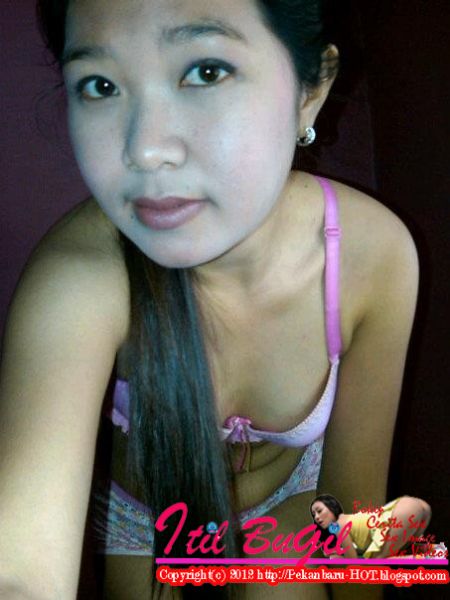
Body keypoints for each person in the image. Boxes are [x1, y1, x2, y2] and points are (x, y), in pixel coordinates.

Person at [0, 0, 419, 598]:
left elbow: (359, 509)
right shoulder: (80, 275)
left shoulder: (373, 255)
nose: (146, 150)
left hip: (295, 502)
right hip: (151, 520)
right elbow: (20, 573)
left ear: (312, 90)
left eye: (206, 71)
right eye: (100, 85)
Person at [310, 494, 432, 559]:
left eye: (319, 511)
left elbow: (352, 562)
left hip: (398, 515)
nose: (316, 517)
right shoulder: (345, 520)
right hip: (408, 506)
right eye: (314, 514)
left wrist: (336, 555)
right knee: (408, 550)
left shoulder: (338, 526)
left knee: (379, 560)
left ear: (331, 507)